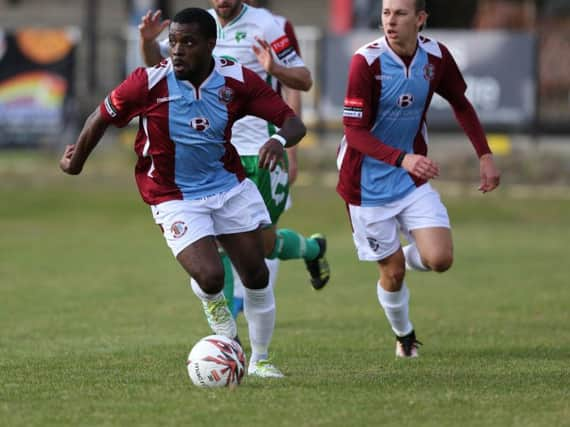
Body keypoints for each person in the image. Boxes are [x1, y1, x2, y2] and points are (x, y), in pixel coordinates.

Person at [59, 8, 307, 377]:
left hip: (228, 187)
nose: (176, 50)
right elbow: (102, 116)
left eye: (187, 43)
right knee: (210, 277)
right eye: (173, 41)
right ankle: (227, 339)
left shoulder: (235, 80)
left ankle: (262, 361)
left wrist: (277, 140)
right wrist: (75, 160)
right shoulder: (148, 82)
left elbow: (293, 122)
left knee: (256, 275)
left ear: (210, 45)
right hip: (173, 195)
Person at [139, 0, 330, 375]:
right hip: (211, 156)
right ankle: (236, 347)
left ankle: (310, 248)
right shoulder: (194, 26)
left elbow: (303, 80)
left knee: (263, 246)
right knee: (214, 252)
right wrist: (146, 42)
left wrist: (276, 73)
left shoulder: (270, 25)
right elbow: (157, 67)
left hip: (261, 152)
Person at [337, 0, 500, 358]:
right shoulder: (366, 62)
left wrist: (484, 155)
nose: (390, 21)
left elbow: (460, 103)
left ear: (421, 19)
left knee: (440, 259)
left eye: (400, 14)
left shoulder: (436, 57)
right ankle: (404, 334)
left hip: (410, 181)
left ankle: (402, 254)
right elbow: (354, 132)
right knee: (392, 273)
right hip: (365, 185)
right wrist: (403, 158)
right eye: (385, 13)